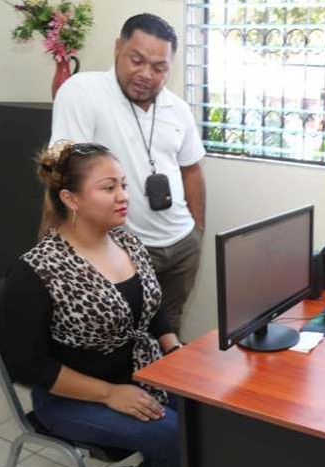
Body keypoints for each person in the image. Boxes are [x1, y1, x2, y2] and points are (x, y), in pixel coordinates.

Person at [1, 141, 190, 467]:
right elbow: (26, 365)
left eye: (123, 185)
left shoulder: (126, 240)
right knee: (175, 435)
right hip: (72, 398)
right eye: (108, 188)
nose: (123, 196)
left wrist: (173, 348)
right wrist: (108, 394)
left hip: (141, 372)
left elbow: (151, 306)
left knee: (214, 417)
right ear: (71, 199)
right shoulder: (37, 270)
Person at [51, 13, 206, 334]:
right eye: (136, 60)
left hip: (181, 244)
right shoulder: (83, 92)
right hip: (125, 247)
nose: (146, 74)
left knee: (169, 326)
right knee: (119, 335)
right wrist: (61, 249)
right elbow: (61, 171)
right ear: (117, 48)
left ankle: (157, 384)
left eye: (160, 67)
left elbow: (191, 170)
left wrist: (197, 230)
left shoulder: (177, 109)